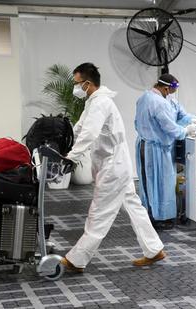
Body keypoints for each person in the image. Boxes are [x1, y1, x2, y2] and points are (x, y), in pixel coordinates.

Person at [61, 63, 166, 272]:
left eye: (77, 84)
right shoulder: (93, 102)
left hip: (113, 168)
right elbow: (80, 128)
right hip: (116, 164)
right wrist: (64, 142)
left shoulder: (100, 103)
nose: (75, 88)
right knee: (134, 208)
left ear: (88, 84)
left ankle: (76, 259)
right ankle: (154, 250)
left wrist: (71, 158)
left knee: (99, 213)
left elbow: (90, 134)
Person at [135, 74, 196, 228]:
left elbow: (180, 114)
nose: (172, 93)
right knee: (160, 183)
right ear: (165, 88)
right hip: (155, 149)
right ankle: (160, 218)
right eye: (172, 90)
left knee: (148, 181)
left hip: (144, 144)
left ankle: (150, 213)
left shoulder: (145, 97)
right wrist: (186, 131)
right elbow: (171, 128)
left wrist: (194, 120)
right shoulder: (159, 103)